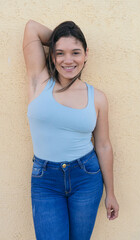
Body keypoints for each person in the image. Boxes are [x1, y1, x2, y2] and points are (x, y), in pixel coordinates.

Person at [23, 19, 119, 240]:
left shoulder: (98, 98)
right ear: (52, 55)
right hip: (45, 180)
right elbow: (31, 28)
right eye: (60, 53)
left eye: (75, 52)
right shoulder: (39, 81)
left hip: (86, 177)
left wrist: (111, 193)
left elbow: (103, 146)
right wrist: (60, 36)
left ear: (86, 54)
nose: (68, 60)